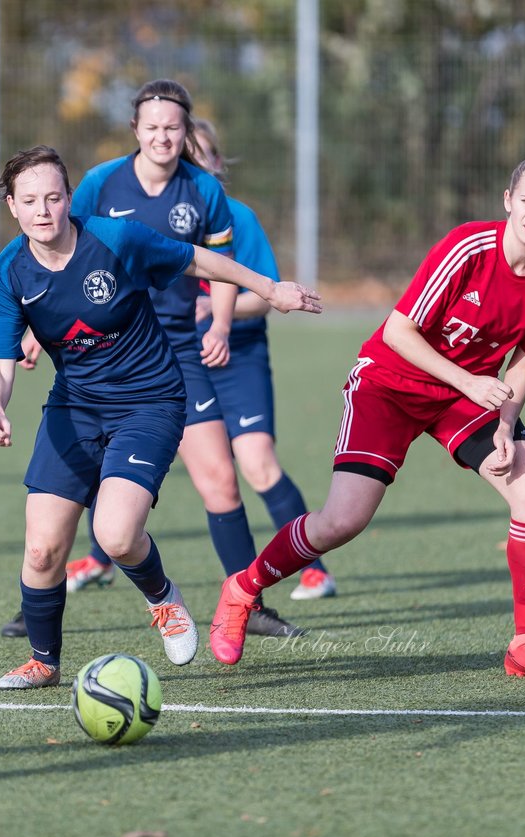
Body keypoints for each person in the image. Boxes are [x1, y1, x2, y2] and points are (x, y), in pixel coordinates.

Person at [209, 155, 525, 683]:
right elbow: (397, 333)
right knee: (343, 521)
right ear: (507, 200)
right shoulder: (467, 248)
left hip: (463, 395)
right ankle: (241, 591)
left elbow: (522, 361)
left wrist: (503, 425)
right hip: (391, 383)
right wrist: (472, 384)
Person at [0, 145, 320, 689]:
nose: (43, 210)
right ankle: (44, 663)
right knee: (43, 549)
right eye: (30, 201)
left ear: (69, 198)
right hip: (74, 408)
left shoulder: (114, 239)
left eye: (52, 197)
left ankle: (163, 597)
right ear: (12, 207)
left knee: (115, 533)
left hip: (150, 401)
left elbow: (197, 259)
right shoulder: (10, 271)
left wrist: (269, 289)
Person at [190, 118, 336, 601]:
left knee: (257, 464)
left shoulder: (237, 218)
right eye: (189, 157)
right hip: (177, 362)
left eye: (205, 155)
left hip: (239, 356)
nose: (198, 165)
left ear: (218, 164)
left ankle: (313, 568)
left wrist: (218, 307)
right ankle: (101, 555)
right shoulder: (153, 223)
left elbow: (267, 294)